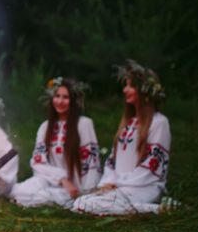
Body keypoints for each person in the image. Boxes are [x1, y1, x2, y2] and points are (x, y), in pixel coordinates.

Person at [72, 60, 171, 215]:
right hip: (120, 186)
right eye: (125, 85)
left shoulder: (159, 122)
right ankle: (143, 209)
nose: (125, 90)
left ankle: (153, 209)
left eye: (131, 86)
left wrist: (119, 183)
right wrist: (108, 182)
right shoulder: (128, 123)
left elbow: (153, 166)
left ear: (145, 91)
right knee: (80, 203)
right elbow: (112, 160)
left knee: (86, 205)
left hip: (144, 187)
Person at [11, 77, 101, 208]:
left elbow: (92, 162)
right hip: (51, 181)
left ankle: (74, 200)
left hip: (75, 186)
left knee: (41, 197)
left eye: (66, 97)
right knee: (20, 191)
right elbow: (38, 162)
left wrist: (88, 191)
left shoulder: (84, 124)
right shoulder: (45, 127)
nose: (60, 101)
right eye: (57, 96)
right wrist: (61, 179)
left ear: (74, 101)